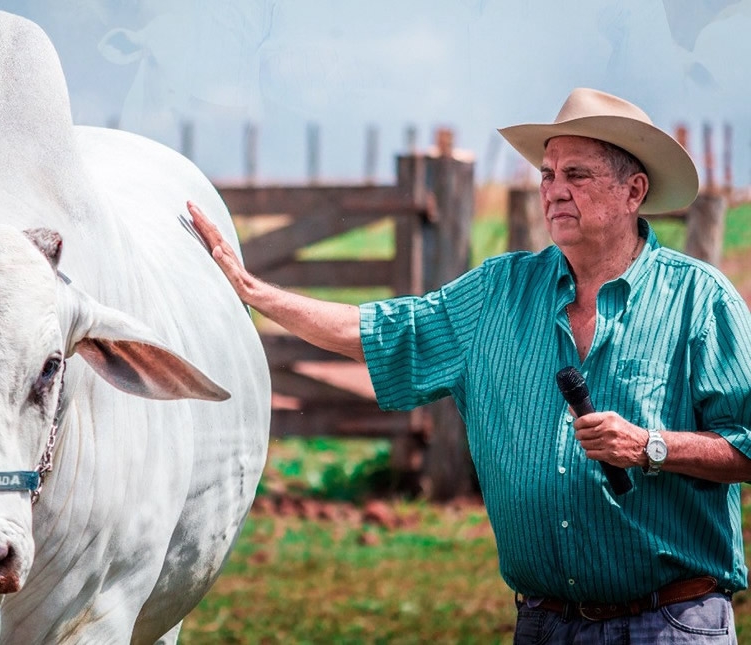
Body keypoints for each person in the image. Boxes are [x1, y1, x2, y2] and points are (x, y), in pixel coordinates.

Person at [188, 87, 751, 642]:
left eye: (575, 175)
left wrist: (652, 447)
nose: (554, 191)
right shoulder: (496, 294)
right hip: (544, 623)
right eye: (547, 175)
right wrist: (254, 292)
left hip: (671, 625)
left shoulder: (701, 302)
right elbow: (384, 332)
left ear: (634, 191)